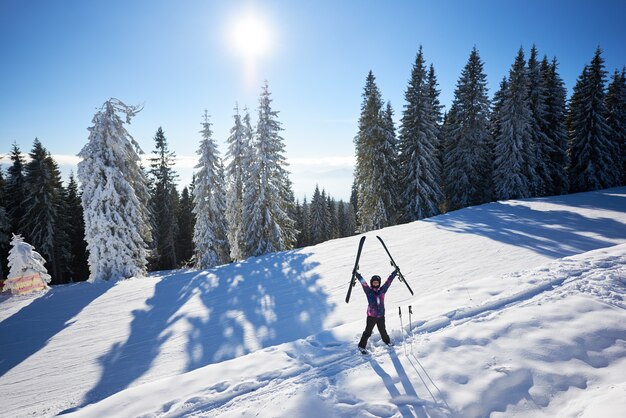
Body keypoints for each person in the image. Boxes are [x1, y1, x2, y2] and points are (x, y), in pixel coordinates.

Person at [354, 268, 398, 353]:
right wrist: (358, 276)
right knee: (368, 332)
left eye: (377, 282)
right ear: (372, 283)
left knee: (383, 330)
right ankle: (361, 346)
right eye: (374, 282)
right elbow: (364, 283)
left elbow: (388, 282)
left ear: (379, 283)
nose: (375, 283)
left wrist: (394, 273)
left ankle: (387, 341)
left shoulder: (382, 290)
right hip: (371, 316)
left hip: (381, 315)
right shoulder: (369, 291)